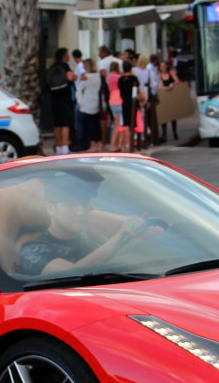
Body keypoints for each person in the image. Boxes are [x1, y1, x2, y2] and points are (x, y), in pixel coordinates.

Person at [17, 173, 151, 276]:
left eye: (84, 203)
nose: (80, 212)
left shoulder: (93, 238)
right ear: (51, 208)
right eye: (70, 205)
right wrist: (122, 235)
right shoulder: (33, 251)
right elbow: (71, 272)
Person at [46, 48, 76, 155]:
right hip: (65, 98)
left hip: (54, 98)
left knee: (57, 125)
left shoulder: (53, 67)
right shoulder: (65, 66)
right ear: (64, 56)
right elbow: (71, 77)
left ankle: (58, 147)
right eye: (67, 54)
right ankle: (65, 147)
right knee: (65, 124)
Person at [75, 58, 103, 153]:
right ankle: (99, 144)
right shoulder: (98, 76)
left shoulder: (87, 77)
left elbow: (78, 89)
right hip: (96, 102)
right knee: (96, 124)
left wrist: (80, 102)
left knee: (89, 125)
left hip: (87, 103)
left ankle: (92, 145)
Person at [116, 61, 140, 153]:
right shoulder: (134, 78)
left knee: (126, 124)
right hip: (132, 102)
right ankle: (130, 143)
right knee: (132, 123)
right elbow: (137, 88)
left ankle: (126, 144)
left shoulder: (120, 79)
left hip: (124, 101)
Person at [156, 59, 180, 142]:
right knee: (164, 116)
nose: (163, 67)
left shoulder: (170, 73)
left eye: (164, 65)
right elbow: (158, 86)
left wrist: (172, 84)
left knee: (173, 115)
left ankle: (174, 132)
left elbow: (177, 81)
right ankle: (164, 134)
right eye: (161, 66)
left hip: (171, 97)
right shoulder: (158, 75)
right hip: (163, 98)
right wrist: (163, 88)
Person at [106, 61, 124, 151]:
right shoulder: (118, 77)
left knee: (117, 124)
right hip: (118, 100)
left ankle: (115, 144)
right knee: (119, 125)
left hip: (112, 100)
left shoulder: (109, 77)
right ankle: (115, 145)